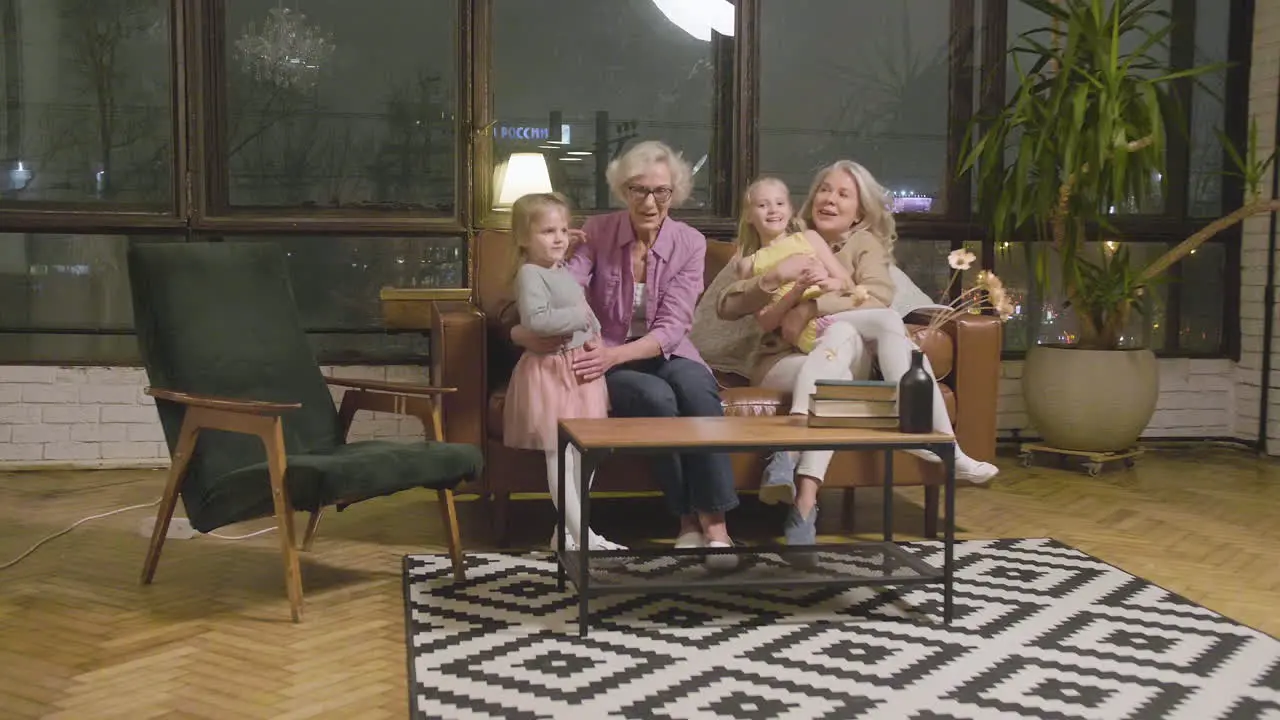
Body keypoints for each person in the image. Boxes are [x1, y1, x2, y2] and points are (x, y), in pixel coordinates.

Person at [719, 161, 999, 547]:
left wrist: (811, 307)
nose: (829, 199)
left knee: (863, 328)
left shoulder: (864, 245)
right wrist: (776, 280)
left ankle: (934, 441)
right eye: (824, 190)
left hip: (840, 351)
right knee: (844, 364)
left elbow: (879, 296)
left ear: (861, 211)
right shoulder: (786, 241)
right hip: (783, 361)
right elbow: (728, 301)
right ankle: (807, 502)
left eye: (842, 194)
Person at [510, 140, 739, 562]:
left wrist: (613, 357)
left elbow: (673, 326)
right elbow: (566, 289)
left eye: (660, 192)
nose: (649, 202)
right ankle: (686, 519)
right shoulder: (597, 232)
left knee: (699, 391)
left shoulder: (689, 243)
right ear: (623, 191)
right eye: (638, 190)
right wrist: (524, 330)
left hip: (665, 350)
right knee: (656, 399)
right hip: (606, 348)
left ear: (675, 193)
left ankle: (716, 524)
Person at [501, 192, 625, 553]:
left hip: (580, 375)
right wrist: (581, 318)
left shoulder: (560, 270)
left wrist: (593, 330)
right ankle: (584, 535)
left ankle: (566, 533)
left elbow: (573, 300)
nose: (557, 237)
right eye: (546, 231)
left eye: (562, 230)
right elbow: (536, 320)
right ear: (524, 238)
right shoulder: (529, 273)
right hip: (551, 376)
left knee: (583, 455)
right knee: (560, 456)